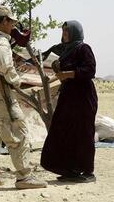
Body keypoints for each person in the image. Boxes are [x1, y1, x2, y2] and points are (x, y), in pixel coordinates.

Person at [0, 5, 47, 189]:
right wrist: (17, 82)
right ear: (4, 21)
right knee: (18, 133)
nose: (13, 26)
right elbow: (5, 67)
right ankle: (24, 177)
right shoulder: (1, 41)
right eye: (12, 22)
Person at [40, 20, 98, 183]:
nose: (64, 34)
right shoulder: (65, 50)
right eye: (63, 31)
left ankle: (88, 172)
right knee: (64, 131)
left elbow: (90, 70)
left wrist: (67, 74)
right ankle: (69, 170)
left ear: (75, 32)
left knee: (83, 133)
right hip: (68, 97)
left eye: (67, 31)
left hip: (83, 97)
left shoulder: (83, 48)